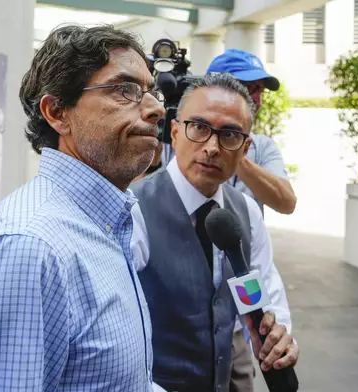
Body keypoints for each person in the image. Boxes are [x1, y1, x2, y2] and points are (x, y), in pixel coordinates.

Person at [0, 24, 166, 391]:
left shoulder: (105, 225)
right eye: (125, 90)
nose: (155, 110)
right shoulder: (28, 248)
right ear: (57, 112)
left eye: (152, 92)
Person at [130, 73, 298, 392]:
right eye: (199, 128)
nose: (212, 147)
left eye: (230, 135)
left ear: (245, 147)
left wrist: (278, 333)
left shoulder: (247, 213)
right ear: (175, 131)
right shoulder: (134, 211)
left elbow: (260, 286)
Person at [207, 48, 297, 215]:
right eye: (250, 89)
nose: (258, 101)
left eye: (260, 91)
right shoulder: (182, 137)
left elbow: (287, 203)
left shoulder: (262, 146)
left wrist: (234, 150)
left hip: (246, 241)